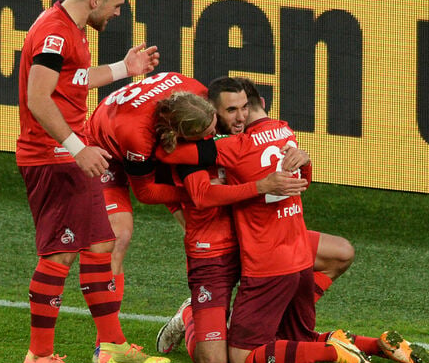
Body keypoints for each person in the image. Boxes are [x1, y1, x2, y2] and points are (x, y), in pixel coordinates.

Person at [156, 77, 429, 363]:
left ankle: (339, 344)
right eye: (231, 111)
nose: (240, 117)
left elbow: (294, 179)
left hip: (261, 252)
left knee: (338, 256)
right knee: (215, 361)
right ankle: (191, 314)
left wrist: (298, 167)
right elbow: (192, 192)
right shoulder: (225, 142)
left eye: (244, 109)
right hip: (218, 250)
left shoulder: (239, 143)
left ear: (255, 106)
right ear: (212, 113)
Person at [16, 0, 167, 363]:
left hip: (67, 157)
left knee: (101, 244)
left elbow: (75, 80)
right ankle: (39, 357)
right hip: (53, 158)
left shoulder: (72, 29)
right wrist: (78, 148)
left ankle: (112, 347)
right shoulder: (54, 33)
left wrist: (124, 69)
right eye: (116, 5)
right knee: (60, 253)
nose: (118, 13)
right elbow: (38, 98)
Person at [87, 72, 305, 338]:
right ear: (181, 135)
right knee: (119, 235)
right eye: (208, 134)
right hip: (105, 148)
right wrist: (201, 194)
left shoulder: (199, 97)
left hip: (145, 128)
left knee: (204, 218)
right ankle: (109, 343)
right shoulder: (139, 139)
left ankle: (211, 312)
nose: (215, 135)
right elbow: (146, 192)